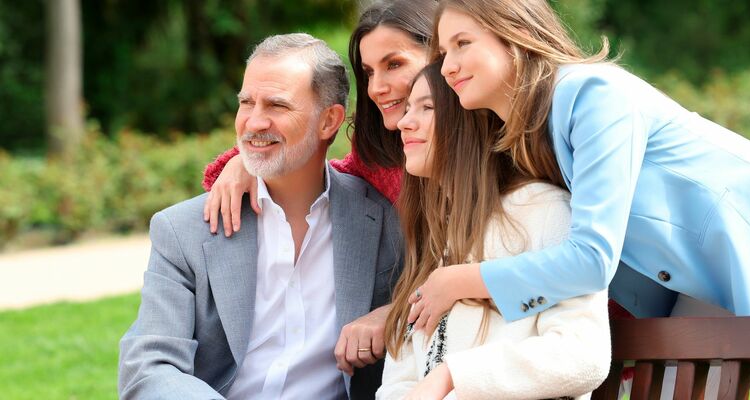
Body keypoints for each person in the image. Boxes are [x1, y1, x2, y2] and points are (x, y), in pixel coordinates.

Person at [403, 0, 750, 336]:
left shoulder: (590, 94)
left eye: (462, 44)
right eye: (442, 54)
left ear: (514, 34)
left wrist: (457, 281)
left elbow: (591, 258)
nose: (447, 67)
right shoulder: (527, 133)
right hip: (699, 288)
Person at [118, 33, 403, 399]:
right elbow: (150, 367)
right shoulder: (182, 231)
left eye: (277, 106)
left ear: (329, 122)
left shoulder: (384, 219)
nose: (253, 122)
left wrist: (392, 313)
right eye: (246, 102)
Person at [199, 0, 451, 378]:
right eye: (368, 72)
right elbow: (320, 172)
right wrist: (241, 162)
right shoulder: (383, 162)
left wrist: (392, 314)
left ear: (440, 55)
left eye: (394, 64)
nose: (378, 87)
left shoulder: (495, 154)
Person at [376, 61, 610, 400]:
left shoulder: (541, 210)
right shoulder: (436, 236)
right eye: (408, 109)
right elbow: (400, 380)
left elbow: (582, 355)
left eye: (426, 107)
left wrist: (454, 376)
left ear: (469, 120)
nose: (403, 122)